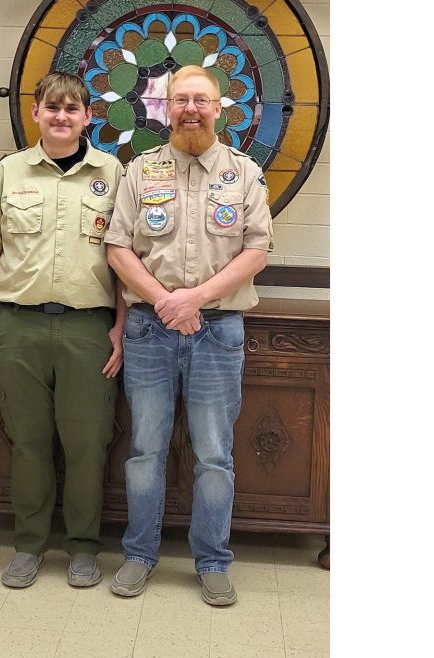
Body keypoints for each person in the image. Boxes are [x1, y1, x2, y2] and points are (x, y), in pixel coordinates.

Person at [103, 65, 272, 606]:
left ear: (220, 108)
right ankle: (139, 554)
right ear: (165, 108)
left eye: (201, 99)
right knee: (145, 449)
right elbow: (118, 247)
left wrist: (193, 300)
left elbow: (256, 251)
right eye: (180, 100)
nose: (191, 108)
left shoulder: (245, 174)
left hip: (218, 331)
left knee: (214, 454)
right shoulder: (139, 172)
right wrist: (164, 301)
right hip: (151, 331)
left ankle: (214, 560)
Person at [0, 72, 125, 590]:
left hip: (87, 331)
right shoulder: (9, 173)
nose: (61, 116)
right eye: (52, 108)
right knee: (28, 443)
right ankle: (29, 546)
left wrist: (121, 328)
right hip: (20, 327)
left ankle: (82, 548)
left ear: (87, 117)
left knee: (87, 445)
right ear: (35, 113)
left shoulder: (113, 174)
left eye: (72, 109)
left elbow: (127, 259)